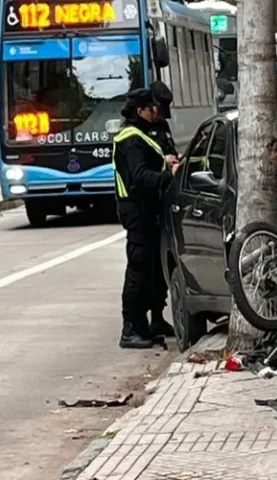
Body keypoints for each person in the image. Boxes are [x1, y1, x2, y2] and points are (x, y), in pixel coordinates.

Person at [114, 88, 180, 349]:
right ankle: (130, 328)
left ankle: (146, 324)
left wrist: (165, 162)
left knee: (152, 269)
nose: (156, 112)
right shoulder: (131, 139)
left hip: (147, 210)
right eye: (151, 108)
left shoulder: (141, 135)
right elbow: (140, 177)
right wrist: (168, 175)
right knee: (138, 270)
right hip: (137, 211)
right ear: (139, 110)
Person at [145, 80, 178, 338]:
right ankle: (144, 319)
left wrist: (173, 161)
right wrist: (162, 162)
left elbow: (170, 149)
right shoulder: (136, 131)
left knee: (162, 263)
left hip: (163, 200)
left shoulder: (162, 126)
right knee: (145, 267)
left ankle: (159, 315)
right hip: (145, 205)